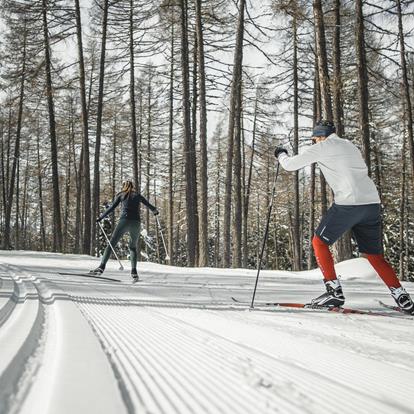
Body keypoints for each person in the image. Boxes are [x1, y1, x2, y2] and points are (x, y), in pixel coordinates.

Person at [274, 120, 414, 314]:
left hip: (349, 203)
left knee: (319, 242)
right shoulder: (349, 145)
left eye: (315, 139)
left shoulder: (323, 147)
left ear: (320, 137)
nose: (315, 142)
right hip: (371, 203)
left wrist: (281, 154)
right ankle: (402, 297)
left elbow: (290, 166)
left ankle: (333, 292)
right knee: (374, 256)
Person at [92, 180, 159, 281]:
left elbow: (111, 208)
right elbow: (149, 205)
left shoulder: (121, 195)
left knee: (111, 245)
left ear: (124, 186)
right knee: (132, 247)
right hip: (136, 223)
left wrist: (101, 217)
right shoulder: (137, 195)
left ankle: (101, 267)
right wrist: (155, 211)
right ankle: (134, 272)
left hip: (124, 221)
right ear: (133, 186)